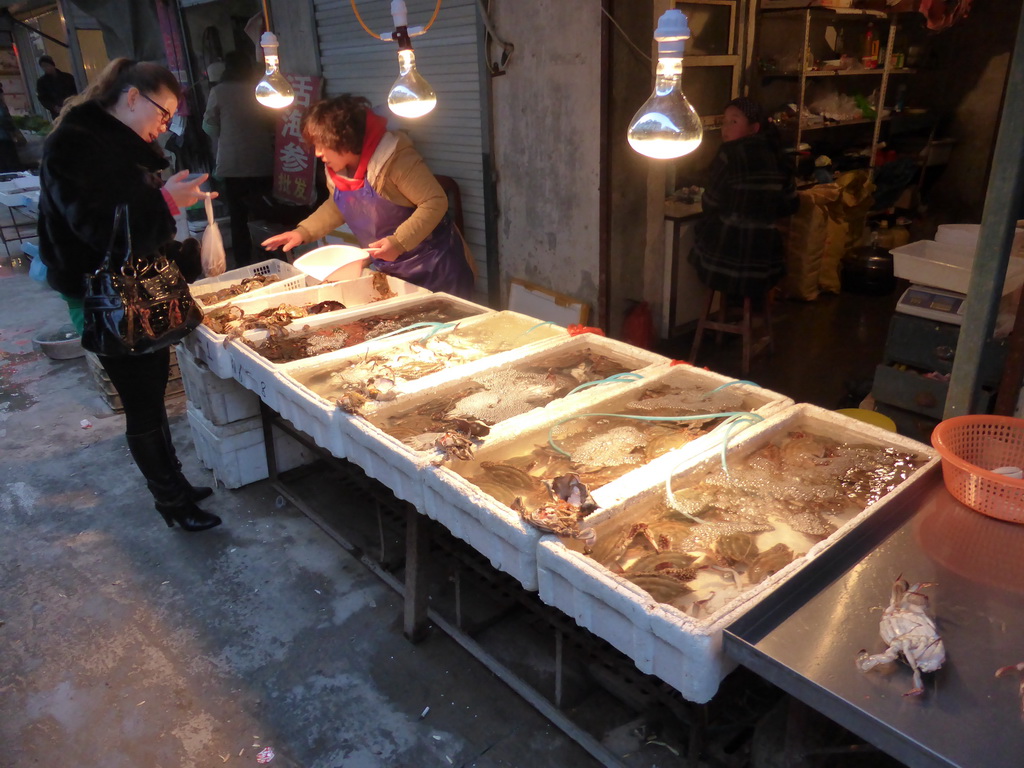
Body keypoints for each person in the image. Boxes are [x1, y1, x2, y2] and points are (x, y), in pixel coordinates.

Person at [37, 58, 221, 533]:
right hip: (102, 296)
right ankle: (172, 504)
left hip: (131, 288)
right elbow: (100, 231)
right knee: (142, 402)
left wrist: (178, 241)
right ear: (133, 97)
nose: (165, 125)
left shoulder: (116, 144)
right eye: (163, 113)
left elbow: (130, 220)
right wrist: (164, 203)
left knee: (154, 393)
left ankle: (176, 483)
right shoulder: (74, 146)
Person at [261, 94, 475, 297]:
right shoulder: (337, 169)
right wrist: (303, 232)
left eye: (321, 144)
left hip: (437, 266)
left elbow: (434, 201)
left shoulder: (394, 159)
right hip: (391, 269)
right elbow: (339, 205)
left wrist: (399, 242)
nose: (317, 153)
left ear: (343, 139)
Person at [688, 97, 798, 298]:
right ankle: (742, 310)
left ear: (753, 128)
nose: (725, 128)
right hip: (765, 264)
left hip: (724, 263)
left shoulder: (729, 154)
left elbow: (710, 203)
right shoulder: (779, 156)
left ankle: (713, 315)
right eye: (724, 121)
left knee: (699, 235)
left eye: (734, 121)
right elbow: (790, 204)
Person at [202, 50, 275, 267]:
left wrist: (227, 134)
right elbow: (273, 121)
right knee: (267, 212)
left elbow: (208, 126)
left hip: (233, 166)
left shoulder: (219, 91)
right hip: (263, 162)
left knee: (238, 217)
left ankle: (244, 262)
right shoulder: (262, 90)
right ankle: (271, 256)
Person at [36, 55, 78, 120]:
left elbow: (75, 91)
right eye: (43, 66)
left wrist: (72, 102)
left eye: (46, 65)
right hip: (57, 113)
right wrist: (54, 107)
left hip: (72, 108)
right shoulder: (41, 82)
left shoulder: (67, 77)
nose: (45, 68)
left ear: (52, 64)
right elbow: (43, 98)